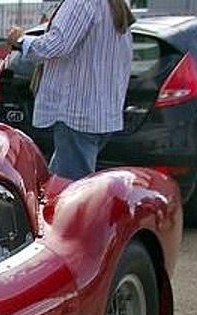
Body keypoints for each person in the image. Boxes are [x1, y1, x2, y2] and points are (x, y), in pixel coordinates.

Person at [7, 0, 134, 180]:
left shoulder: (81, 2)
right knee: (58, 184)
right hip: (99, 111)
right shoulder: (114, 4)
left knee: (68, 192)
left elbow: (56, 45)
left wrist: (21, 39)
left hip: (77, 112)